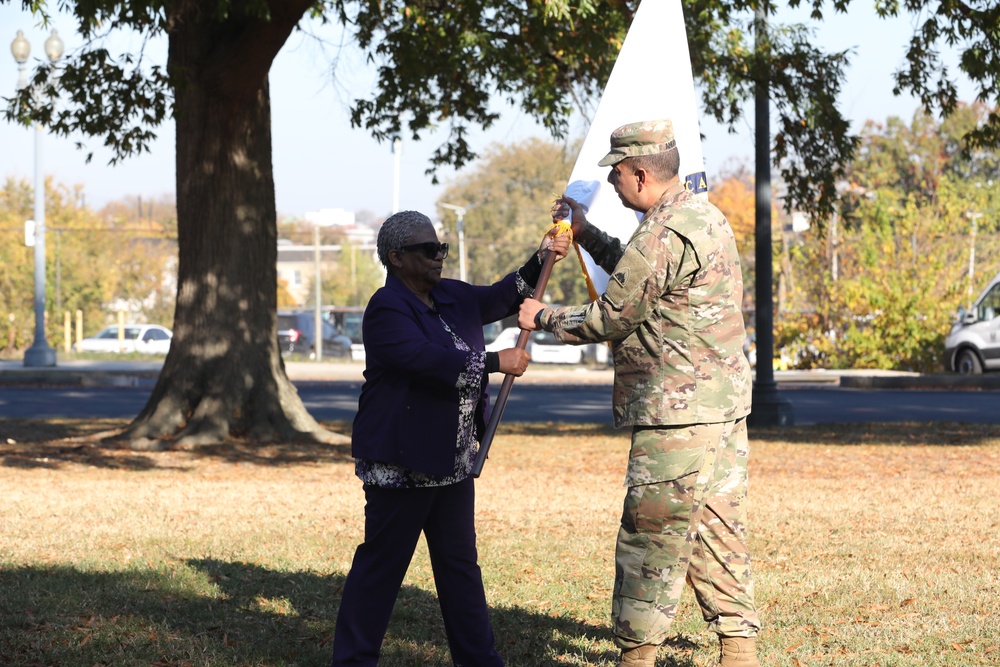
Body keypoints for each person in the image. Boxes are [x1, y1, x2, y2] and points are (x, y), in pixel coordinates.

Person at [518, 119, 761, 667]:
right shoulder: (702, 215)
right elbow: (639, 275)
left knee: (651, 536)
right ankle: (739, 649)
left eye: (618, 175)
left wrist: (545, 315)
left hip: (677, 412)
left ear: (641, 173)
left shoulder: (661, 231)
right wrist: (586, 234)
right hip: (720, 408)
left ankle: (637, 657)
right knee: (715, 528)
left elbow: (614, 314)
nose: (615, 185)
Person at [331, 209, 570, 667]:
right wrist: (497, 363)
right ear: (396, 257)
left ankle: (480, 660)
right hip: (402, 465)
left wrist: (542, 258)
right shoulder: (386, 309)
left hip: (453, 462)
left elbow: (505, 295)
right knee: (380, 571)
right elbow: (425, 361)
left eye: (440, 247)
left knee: (460, 569)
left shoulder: (452, 296)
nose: (439, 256)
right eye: (428, 250)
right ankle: (354, 661)